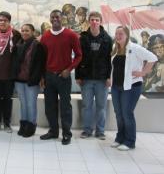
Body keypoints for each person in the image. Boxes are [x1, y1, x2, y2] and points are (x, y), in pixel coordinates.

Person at [111, 26, 157, 150]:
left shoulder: (135, 48)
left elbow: (153, 58)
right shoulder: (115, 49)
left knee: (127, 114)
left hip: (131, 87)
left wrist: (143, 73)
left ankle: (130, 141)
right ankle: (120, 138)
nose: (118, 36)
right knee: (119, 114)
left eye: (121, 33)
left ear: (127, 35)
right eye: (116, 33)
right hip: (116, 87)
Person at [40, 9, 82, 145]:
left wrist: (69, 69)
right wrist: (42, 77)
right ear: (50, 19)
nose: (55, 19)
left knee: (65, 106)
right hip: (49, 77)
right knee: (49, 106)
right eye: (52, 17)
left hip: (63, 77)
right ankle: (53, 131)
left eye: (57, 17)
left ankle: (66, 134)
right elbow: (42, 59)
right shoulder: (45, 36)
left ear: (62, 18)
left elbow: (79, 55)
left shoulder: (71, 35)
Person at [75, 11, 112, 140]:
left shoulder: (107, 39)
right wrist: (78, 76)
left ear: (100, 22)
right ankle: (87, 130)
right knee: (87, 106)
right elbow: (79, 58)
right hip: (86, 78)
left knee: (101, 106)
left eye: (97, 20)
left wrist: (109, 77)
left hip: (102, 79)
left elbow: (109, 59)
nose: (94, 22)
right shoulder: (83, 38)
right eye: (92, 19)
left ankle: (100, 131)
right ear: (89, 21)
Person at [0, 11, 21, 133]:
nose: (2, 22)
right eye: (0, 20)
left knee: (7, 100)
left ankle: (7, 123)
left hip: (9, 75)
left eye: (5, 20)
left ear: (9, 22)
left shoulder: (16, 35)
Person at [12, 24, 45, 137]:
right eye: (23, 30)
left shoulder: (37, 45)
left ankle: (31, 125)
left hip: (31, 80)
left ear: (32, 32)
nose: (24, 33)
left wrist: (39, 78)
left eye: (27, 30)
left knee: (31, 104)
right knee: (23, 104)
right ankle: (23, 124)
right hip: (19, 80)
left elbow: (40, 64)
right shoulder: (18, 44)